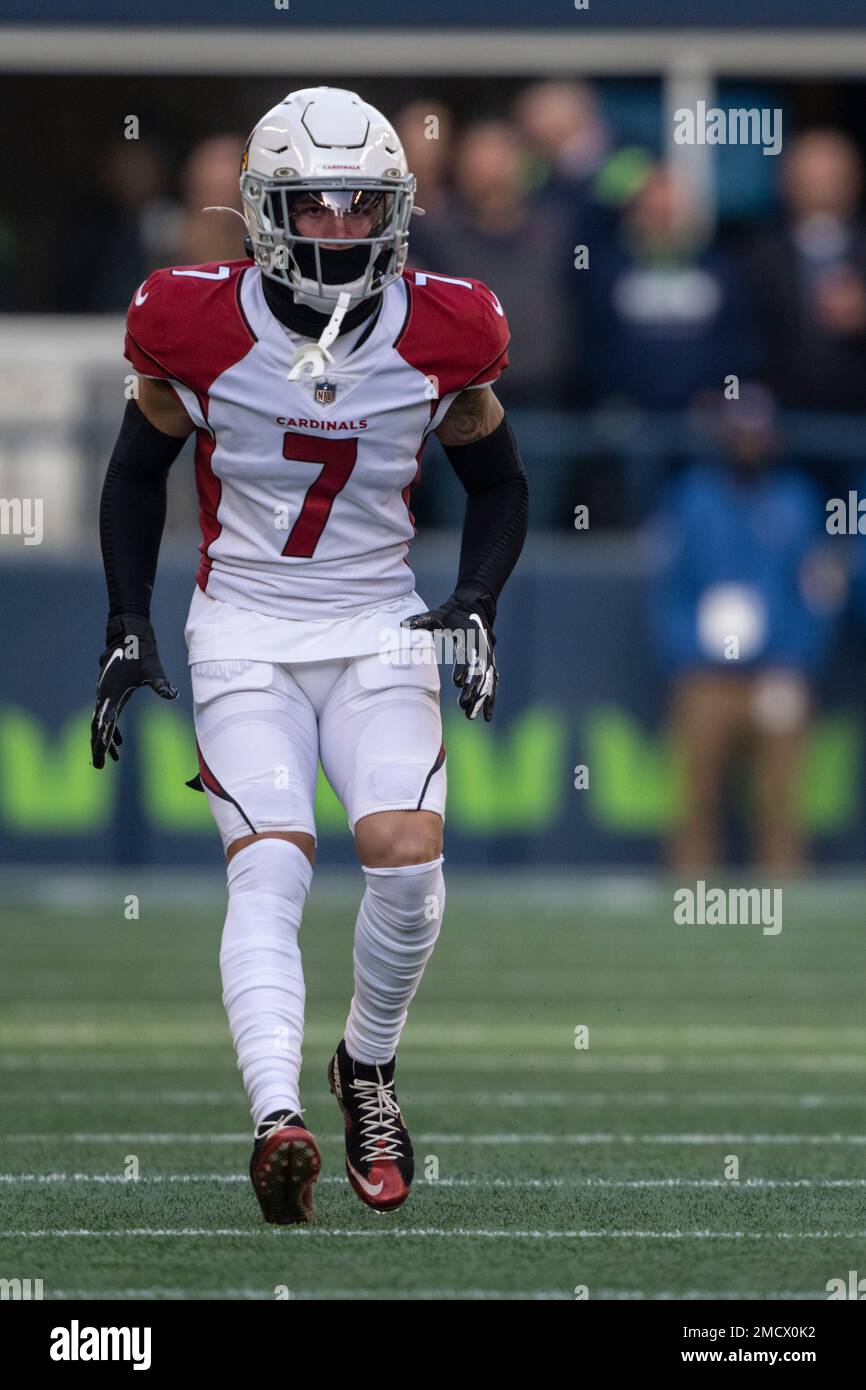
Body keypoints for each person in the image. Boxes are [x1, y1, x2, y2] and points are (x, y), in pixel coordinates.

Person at [90, 87, 527, 1225]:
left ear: (395, 210)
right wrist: (126, 616)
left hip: (376, 617)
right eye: (313, 206)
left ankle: (365, 1068)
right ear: (262, 211)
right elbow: (136, 472)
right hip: (243, 623)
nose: (337, 228)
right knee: (270, 863)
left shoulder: (444, 327)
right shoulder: (190, 320)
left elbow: (501, 481)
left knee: (404, 856)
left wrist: (475, 594)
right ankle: (275, 1113)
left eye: (358, 206)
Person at [649, 386, 841, 871]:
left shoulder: (796, 500)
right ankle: (689, 906)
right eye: (740, 433)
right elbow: (670, 588)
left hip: (776, 673)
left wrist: (795, 664)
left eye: (757, 434)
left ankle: (785, 911)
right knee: (695, 796)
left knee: (781, 799)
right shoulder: (692, 498)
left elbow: (816, 590)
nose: (749, 443)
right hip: (706, 674)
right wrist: (686, 655)